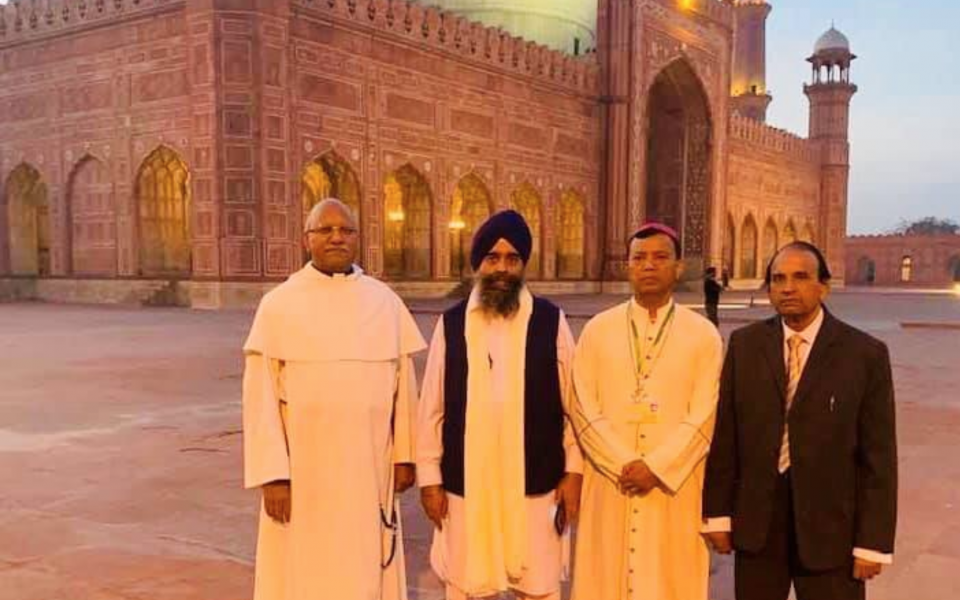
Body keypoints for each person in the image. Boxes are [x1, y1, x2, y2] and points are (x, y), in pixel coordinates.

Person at [242, 199, 426, 600]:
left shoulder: (385, 302)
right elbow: (261, 398)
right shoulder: (278, 305)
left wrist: (405, 457)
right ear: (307, 239)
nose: (336, 237)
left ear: (358, 238)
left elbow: (405, 389)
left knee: (363, 566)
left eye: (346, 230)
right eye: (325, 230)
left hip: (369, 467)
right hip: (303, 472)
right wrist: (272, 475)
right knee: (303, 573)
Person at [703, 241, 898, 600]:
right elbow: (726, 438)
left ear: (824, 286)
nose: (788, 287)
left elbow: (879, 458)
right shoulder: (745, 346)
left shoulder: (863, 354)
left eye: (800, 277)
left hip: (832, 532)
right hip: (759, 529)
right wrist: (717, 516)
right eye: (778, 279)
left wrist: (872, 543)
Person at [417, 210, 584, 600]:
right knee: (466, 584)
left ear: (523, 264)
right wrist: (429, 480)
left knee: (537, 586)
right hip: (466, 485)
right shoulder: (452, 323)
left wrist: (574, 471)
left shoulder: (550, 320)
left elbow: (574, 407)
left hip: (536, 482)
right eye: (493, 258)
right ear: (479, 264)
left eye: (512, 259)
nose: (502, 268)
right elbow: (432, 409)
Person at [569, 222, 724, 600]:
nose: (649, 265)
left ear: (678, 267)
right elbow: (582, 407)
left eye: (660, 257)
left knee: (671, 580)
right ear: (628, 267)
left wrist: (656, 467)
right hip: (611, 483)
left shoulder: (702, 334)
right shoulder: (597, 330)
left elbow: (705, 413)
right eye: (639, 258)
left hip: (675, 484)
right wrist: (624, 463)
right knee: (604, 578)